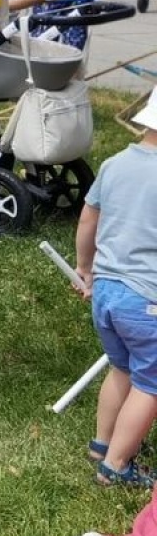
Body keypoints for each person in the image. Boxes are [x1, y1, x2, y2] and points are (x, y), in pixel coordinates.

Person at [72, 93, 157, 488]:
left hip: (107, 292)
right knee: (151, 384)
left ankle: (103, 443)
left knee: (121, 367)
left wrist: (85, 268)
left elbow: (89, 219)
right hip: (147, 300)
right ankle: (117, 466)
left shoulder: (115, 164)